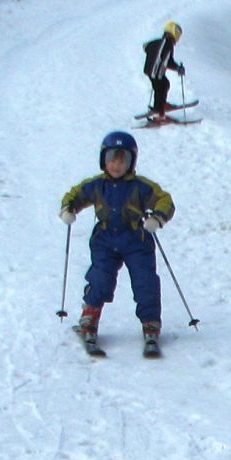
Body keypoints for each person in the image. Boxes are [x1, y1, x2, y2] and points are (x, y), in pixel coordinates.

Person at [58, 131, 175, 349]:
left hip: (136, 240)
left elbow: (164, 199)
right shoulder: (96, 185)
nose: (117, 165)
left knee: (145, 281)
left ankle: (150, 322)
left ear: (132, 162)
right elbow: (74, 194)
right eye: (112, 159)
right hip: (105, 239)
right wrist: (68, 208)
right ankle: (89, 317)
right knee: (100, 278)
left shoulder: (141, 186)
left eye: (123, 160)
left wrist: (158, 217)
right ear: (104, 160)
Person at [143, 21, 185, 119]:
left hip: (150, 70)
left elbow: (146, 46)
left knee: (161, 86)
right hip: (156, 71)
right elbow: (168, 61)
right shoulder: (167, 43)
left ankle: (160, 106)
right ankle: (158, 112)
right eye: (177, 34)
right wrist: (178, 68)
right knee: (161, 87)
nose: (178, 38)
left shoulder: (160, 42)